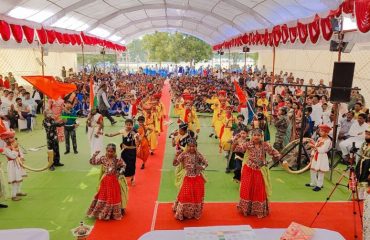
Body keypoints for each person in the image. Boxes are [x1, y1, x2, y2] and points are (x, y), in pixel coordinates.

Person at [237, 129, 280, 218]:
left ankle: (258, 210)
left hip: (259, 170)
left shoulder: (265, 145)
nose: (256, 137)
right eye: (255, 135)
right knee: (247, 189)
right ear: (252, 136)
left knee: (259, 190)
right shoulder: (248, 144)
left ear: (261, 136)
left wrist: (269, 161)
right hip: (248, 169)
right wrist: (235, 141)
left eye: (258, 135)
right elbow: (238, 149)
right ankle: (246, 209)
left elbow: (276, 154)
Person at [87, 144, 127, 220]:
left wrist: (120, 172)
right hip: (105, 181)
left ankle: (114, 213)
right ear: (106, 151)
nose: (110, 153)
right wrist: (94, 155)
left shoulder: (117, 159)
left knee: (114, 196)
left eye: (111, 151)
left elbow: (124, 165)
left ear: (114, 152)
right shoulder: (103, 159)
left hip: (114, 181)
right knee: (103, 195)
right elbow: (92, 162)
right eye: (108, 151)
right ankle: (101, 212)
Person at [172, 138, 208, 220]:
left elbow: (206, 163)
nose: (192, 148)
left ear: (196, 147)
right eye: (190, 146)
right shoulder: (183, 154)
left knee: (196, 196)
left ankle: (194, 213)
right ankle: (182, 213)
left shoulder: (198, 155)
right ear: (187, 146)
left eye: (193, 146)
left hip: (197, 178)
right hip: (187, 178)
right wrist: (176, 156)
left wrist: (202, 167)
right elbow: (175, 164)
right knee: (185, 196)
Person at [106, 119, 139, 186]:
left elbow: (139, 141)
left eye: (130, 125)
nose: (128, 126)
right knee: (122, 165)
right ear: (125, 125)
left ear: (132, 125)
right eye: (127, 125)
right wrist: (106, 134)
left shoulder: (134, 132)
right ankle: (121, 178)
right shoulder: (123, 130)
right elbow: (113, 134)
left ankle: (132, 179)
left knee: (132, 165)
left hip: (132, 152)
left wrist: (137, 137)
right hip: (124, 151)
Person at [1, 130, 27, 201]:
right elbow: (13, 156)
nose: (10, 140)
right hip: (12, 165)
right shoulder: (6, 148)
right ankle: (13, 195)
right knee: (15, 180)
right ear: (5, 140)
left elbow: (20, 152)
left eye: (11, 138)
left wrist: (21, 157)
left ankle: (18, 192)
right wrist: (14, 149)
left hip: (18, 163)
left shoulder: (15, 145)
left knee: (19, 178)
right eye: (7, 139)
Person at [305, 125, 332, 192]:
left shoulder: (328, 141)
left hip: (322, 157)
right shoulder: (319, 138)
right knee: (312, 169)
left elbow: (323, 150)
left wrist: (313, 146)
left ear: (326, 132)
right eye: (320, 131)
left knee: (320, 171)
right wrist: (312, 154)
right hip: (316, 155)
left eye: (322, 131)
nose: (320, 132)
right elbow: (316, 146)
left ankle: (319, 185)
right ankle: (313, 183)